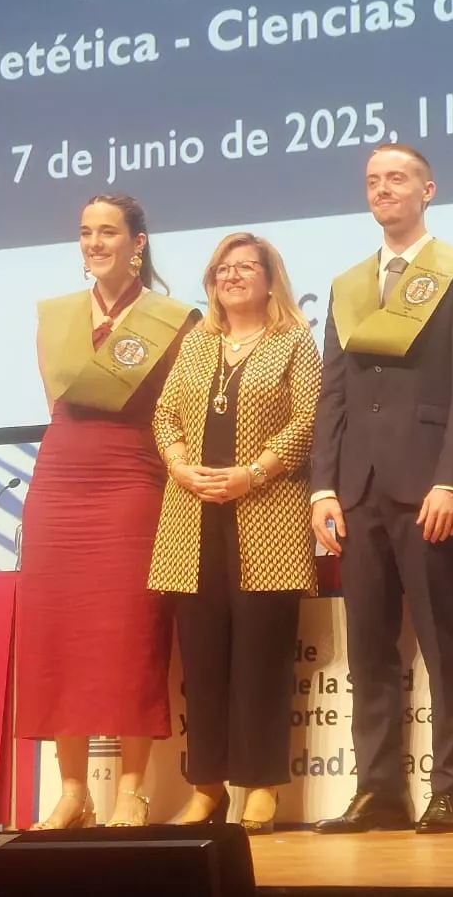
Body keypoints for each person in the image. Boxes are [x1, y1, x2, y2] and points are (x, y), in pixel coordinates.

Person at [309, 144, 453, 836]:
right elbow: (333, 392)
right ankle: (378, 787)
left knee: (445, 645)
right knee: (368, 648)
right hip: (357, 491)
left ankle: (448, 789)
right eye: (372, 181)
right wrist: (321, 486)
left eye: (397, 179)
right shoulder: (349, 283)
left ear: (428, 190)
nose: (383, 190)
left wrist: (452, 476)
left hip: (428, 487)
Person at [16, 193, 199, 829]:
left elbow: (178, 410)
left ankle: (131, 792)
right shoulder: (57, 315)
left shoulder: (174, 319)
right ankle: (72, 793)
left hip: (131, 480)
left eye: (108, 232)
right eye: (86, 232)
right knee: (59, 634)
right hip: (62, 478)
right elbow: (56, 401)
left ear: (138, 242)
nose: (95, 243)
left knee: (128, 637)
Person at [147, 232, 321, 835]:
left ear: (271, 280)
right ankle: (207, 789)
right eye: (224, 268)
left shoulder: (294, 341)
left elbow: (309, 420)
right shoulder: (197, 342)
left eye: (247, 267)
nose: (233, 276)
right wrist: (177, 462)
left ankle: (262, 788)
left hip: (265, 515)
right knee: (203, 663)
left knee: (261, 661)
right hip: (192, 519)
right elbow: (164, 413)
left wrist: (254, 473)